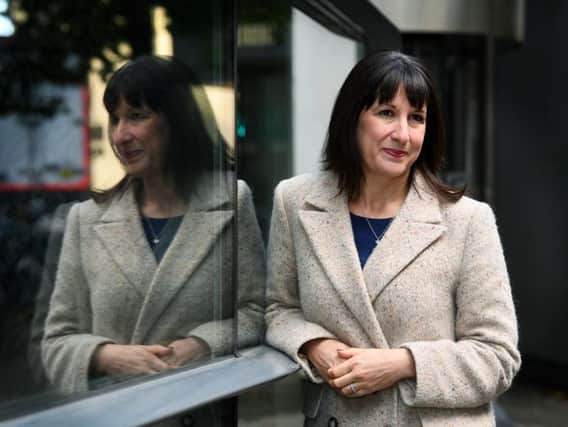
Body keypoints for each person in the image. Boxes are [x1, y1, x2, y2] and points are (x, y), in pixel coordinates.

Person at [265, 51, 520, 426]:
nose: (402, 134)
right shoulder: (295, 202)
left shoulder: (468, 220)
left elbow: (498, 358)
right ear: (352, 118)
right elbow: (278, 310)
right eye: (386, 112)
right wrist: (313, 345)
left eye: (416, 118)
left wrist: (402, 364)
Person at [41, 56, 265, 400]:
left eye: (137, 116)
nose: (120, 135)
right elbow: (56, 340)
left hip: (198, 408)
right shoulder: (86, 219)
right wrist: (107, 356)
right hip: (114, 414)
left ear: (177, 120)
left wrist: (200, 344)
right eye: (115, 119)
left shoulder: (232, 201)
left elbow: (257, 313)